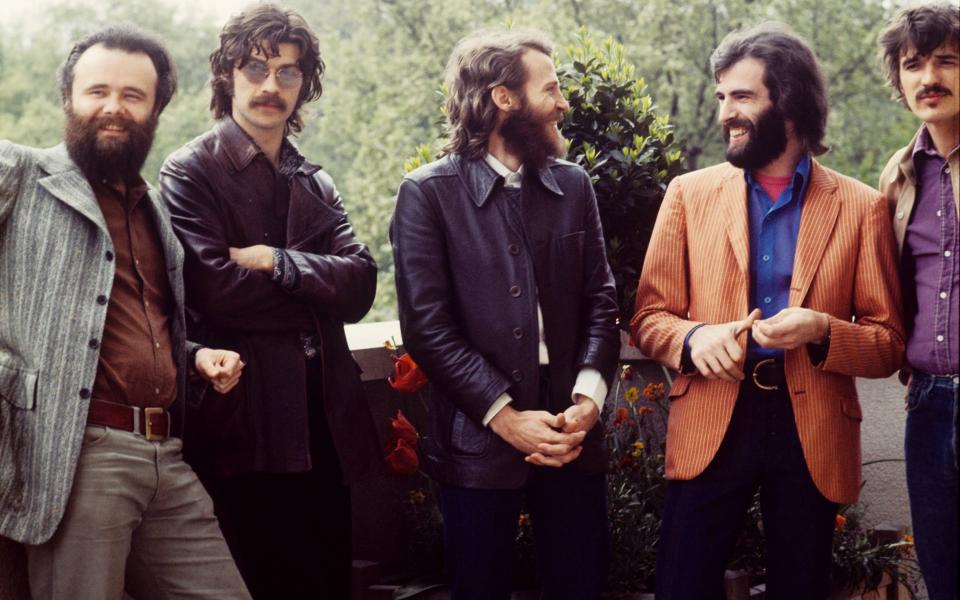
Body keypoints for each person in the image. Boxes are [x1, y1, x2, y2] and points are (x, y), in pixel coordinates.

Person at [631, 23, 904, 600]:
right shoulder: (687, 194)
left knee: (800, 587)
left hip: (811, 424)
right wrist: (695, 339)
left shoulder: (862, 207)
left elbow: (887, 343)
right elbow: (649, 316)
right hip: (711, 415)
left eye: (742, 96)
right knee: (681, 583)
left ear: (789, 101)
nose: (726, 112)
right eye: (721, 97)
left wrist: (822, 330)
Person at [0, 26, 249, 599]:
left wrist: (195, 356)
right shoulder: (23, 175)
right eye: (97, 91)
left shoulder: (153, 209)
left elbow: (128, 327)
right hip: (77, 457)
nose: (114, 107)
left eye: (133, 96)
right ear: (69, 98)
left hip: (167, 455)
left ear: (156, 108)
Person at [390, 29, 620, 600]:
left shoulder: (573, 184)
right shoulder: (426, 194)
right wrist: (506, 416)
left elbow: (602, 300)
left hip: (572, 431)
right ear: (504, 99)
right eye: (553, 88)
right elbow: (428, 328)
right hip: (478, 435)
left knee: (580, 586)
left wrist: (588, 400)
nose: (564, 102)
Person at [159, 4, 379, 598]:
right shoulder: (189, 171)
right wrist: (316, 287)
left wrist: (275, 261)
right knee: (260, 583)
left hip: (327, 420)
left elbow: (361, 286)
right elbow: (216, 292)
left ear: (304, 83)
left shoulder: (315, 178)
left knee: (326, 583)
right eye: (255, 68)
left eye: (288, 72)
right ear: (227, 76)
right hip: (247, 422)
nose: (270, 85)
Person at [878, 5, 959, 599]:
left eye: (947, 61)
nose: (928, 77)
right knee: (943, 577)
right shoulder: (899, 177)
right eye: (914, 65)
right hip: (928, 404)